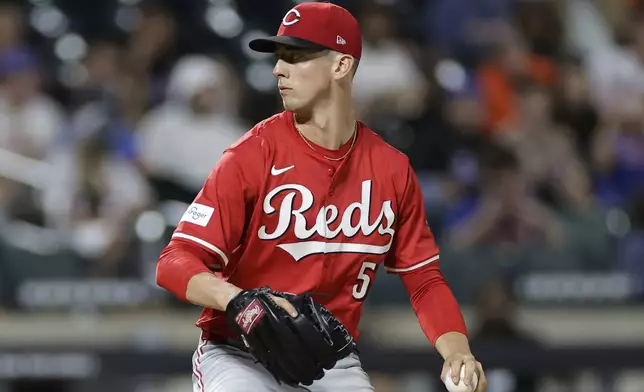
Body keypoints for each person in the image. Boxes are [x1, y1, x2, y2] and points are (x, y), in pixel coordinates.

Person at [155, 3, 488, 391]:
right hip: (239, 354)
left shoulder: (392, 169)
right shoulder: (251, 155)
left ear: (341, 66)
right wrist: (236, 298)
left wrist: (456, 350)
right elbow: (174, 261)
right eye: (280, 58)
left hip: (330, 362)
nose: (279, 69)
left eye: (295, 57)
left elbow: (424, 279)